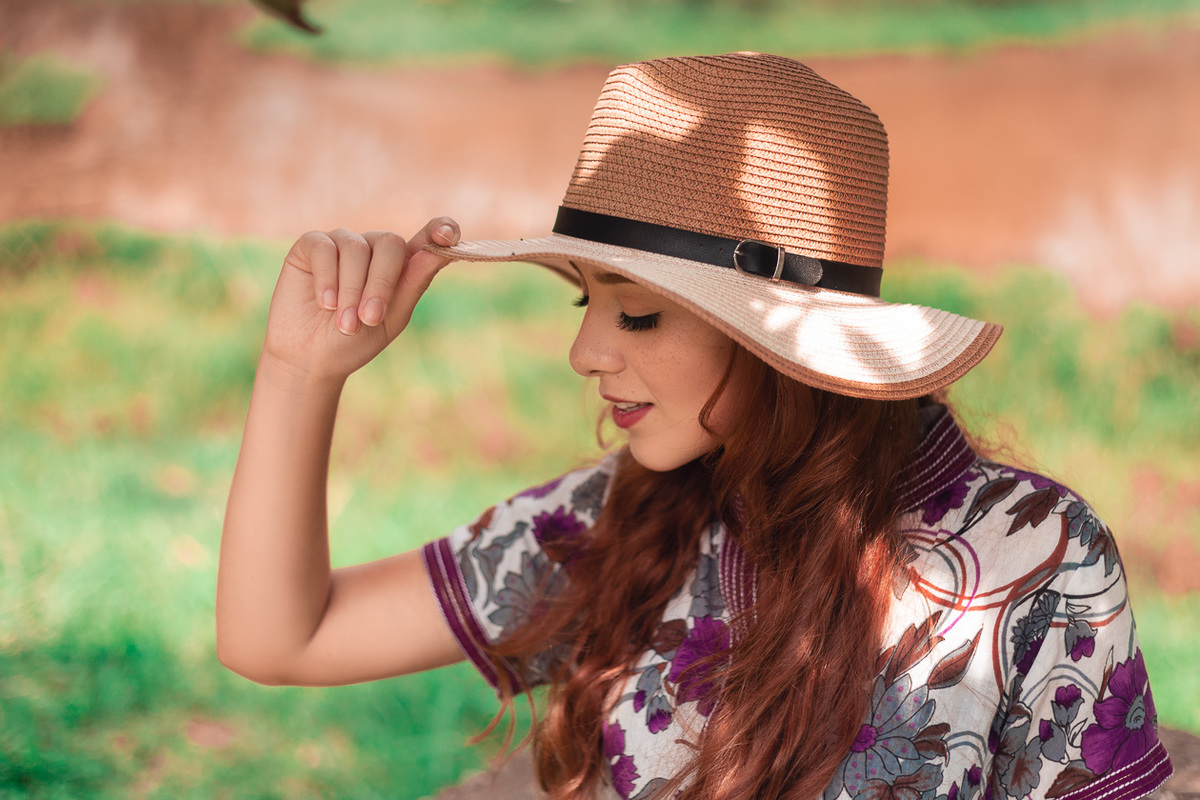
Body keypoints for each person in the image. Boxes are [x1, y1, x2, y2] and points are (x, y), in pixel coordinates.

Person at [217, 53, 1172, 800]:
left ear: (778, 339)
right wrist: (299, 373)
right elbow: (283, 637)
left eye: (636, 314)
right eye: (585, 303)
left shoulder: (1031, 556)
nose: (585, 353)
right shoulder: (621, 520)